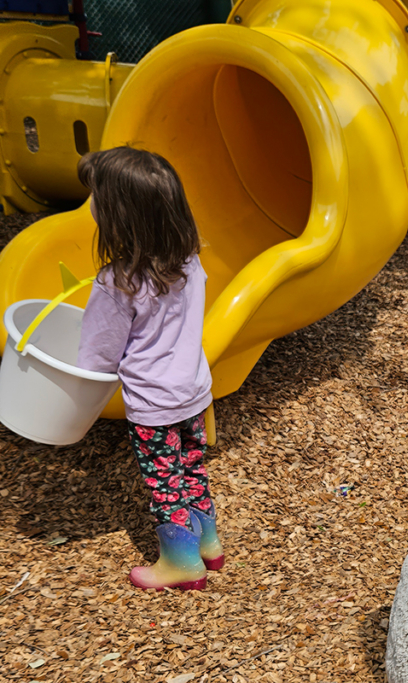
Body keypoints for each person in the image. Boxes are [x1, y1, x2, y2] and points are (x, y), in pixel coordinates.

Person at [76, 147, 223, 591]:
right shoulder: (190, 263)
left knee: (164, 482)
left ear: (120, 218)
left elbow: (98, 356)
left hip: (154, 404)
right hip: (193, 391)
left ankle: (181, 563)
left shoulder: (117, 283)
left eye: (96, 200)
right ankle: (209, 545)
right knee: (192, 464)